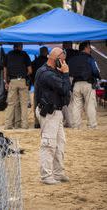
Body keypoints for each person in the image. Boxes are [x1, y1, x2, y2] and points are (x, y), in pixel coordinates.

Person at [34, 47, 71, 185]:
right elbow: (65, 88)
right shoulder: (46, 74)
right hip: (50, 112)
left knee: (60, 143)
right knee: (48, 144)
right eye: (62, 60)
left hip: (56, 112)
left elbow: (65, 91)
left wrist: (63, 74)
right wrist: (66, 74)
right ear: (54, 60)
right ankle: (46, 176)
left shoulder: (52, 72)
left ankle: (58, 172)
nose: (64, 63)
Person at [69, 41, 101, 129]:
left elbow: (69, 71)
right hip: (88, 83)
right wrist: (98, 76)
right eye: (89, 48)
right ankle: (92, 125)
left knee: (76, 105)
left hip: (76, 84)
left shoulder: (73, 59)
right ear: (86, 47)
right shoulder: (90, 58)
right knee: (90, 104)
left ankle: (76, 126)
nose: (90, 49)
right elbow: (95, 71)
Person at [4, 43, 32, 129]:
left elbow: (5, 69)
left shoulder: (8, 55)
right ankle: (24, 125)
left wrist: (6, 81)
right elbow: (30, 70)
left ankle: (8, 125)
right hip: (22, 80)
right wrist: (24, 75)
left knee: (11, 104)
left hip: (12, 81)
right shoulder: (24, 54)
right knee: (23, 104)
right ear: (20, 46)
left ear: (13, 46)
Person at [31, 47, 49, 128]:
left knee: (36, 102)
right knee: (47, 101)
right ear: (46, 52)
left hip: (37, 83)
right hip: (47, 84)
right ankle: (46, 121)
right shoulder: (48, 62)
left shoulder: (35, 62)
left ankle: (37, 122)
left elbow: (31, 73)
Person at [61, 42, 78, 128]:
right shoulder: (76, 53)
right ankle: (71, 121)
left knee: (68, 101)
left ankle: (69, 121)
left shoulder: (63, 54)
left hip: (67, 77)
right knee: (72, 101)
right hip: (74, 78)